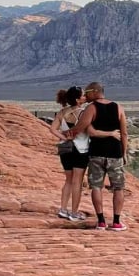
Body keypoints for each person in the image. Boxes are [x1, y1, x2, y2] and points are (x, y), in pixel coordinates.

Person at [71, 81, 128, 230]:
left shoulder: (91, 108)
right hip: (115, 153)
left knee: (96, 187)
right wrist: (124, 152)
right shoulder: (118, 108)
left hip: (96, 153)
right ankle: (116, 222)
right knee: (118, 188)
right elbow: (124, 133)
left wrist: (65, 133)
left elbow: (81, 127)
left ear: (96, 91)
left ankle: (101, 221)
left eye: (87, 92)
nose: (86, 95)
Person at [49, 86, 89, 222]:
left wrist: (64, 137)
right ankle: (74, 212)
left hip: (65, 149)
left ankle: (63, 209)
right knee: (77, 181)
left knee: (68, 180)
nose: (85, 97)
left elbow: (52, 129)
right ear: (78, 100)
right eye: (83, 95)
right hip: (80, 149)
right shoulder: (84, 113)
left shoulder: (62, 112)